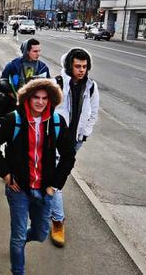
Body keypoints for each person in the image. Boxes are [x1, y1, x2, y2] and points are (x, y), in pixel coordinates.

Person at [0, 79, 76, 275]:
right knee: (18, 235)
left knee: (41, 233)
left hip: (45, 190)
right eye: (36, 97)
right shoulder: (13, 120)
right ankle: (18, 266)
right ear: (27, 97)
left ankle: (17, 245)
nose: (40, 102)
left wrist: (54, 186)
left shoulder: (57, 122)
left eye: (45, 98)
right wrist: (6, 174)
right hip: (19, 189)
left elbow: (69, 156)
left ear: (51, 100)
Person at [49, 48, 99, 247]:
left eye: (84, 67)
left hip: (76, 141)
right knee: (55, 178)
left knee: (59, 175)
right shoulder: (57, 83)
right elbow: (46, 109)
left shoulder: (91, 87)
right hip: (57, 140)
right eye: (78, 66)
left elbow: (94, 112)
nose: (81, 70)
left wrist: (85, 132)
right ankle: (58, 221)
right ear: (69, 65)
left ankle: (47, 202)